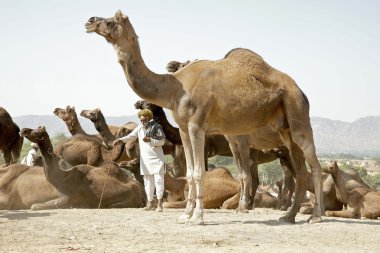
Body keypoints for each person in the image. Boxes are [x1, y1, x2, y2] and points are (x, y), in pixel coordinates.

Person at [114, 109, 166, 212]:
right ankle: (150, 203)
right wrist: (120, 140)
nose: (142, 121)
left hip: (157, 158)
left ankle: (160, 204)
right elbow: (130, 136)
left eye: (144, 119)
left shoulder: (156, 127)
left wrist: (151, 140)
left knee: (159, 181)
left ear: (149, 118)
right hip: (145, 159)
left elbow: (162, 141)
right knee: (147, 182)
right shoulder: (140, 129)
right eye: (141, 120)